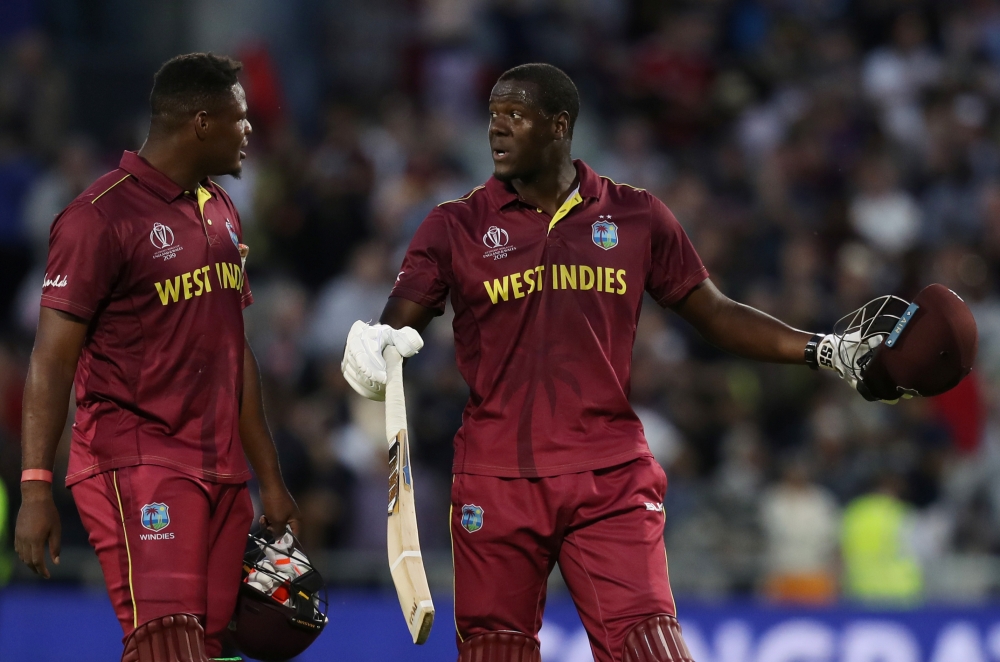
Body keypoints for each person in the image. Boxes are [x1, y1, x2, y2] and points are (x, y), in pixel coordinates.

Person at [341, 63, 870, 662]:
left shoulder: (636, 215)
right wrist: (373, 348)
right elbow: (395, 324)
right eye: (492, 116)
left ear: (560, 125)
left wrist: (823, 348)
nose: (496, 130)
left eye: (514, 115)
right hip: (496, 476)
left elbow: (716, 314)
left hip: (609, 473)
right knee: (496, 652)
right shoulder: (455, 225)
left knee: (651, 648)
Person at [14, 53, 299, 662]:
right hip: (135, 459)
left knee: (215, 644)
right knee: (167, 641)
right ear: (200, 122)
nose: (251, 131)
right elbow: (51, 358)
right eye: (240, 118)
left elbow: (233, 348)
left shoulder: (221, 208)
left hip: (220, 469)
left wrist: (269, 478)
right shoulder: (98, 217)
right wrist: (35, 486)